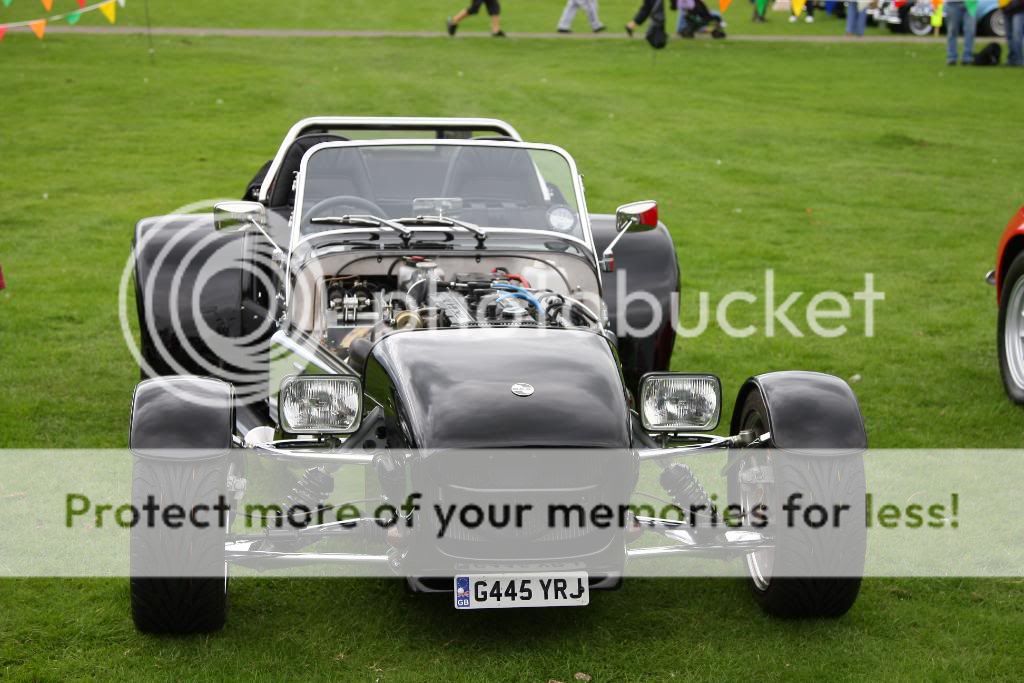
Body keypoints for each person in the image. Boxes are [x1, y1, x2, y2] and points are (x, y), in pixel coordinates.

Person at [944, 0, 976, 65]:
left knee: (970, 30)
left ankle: (967, 57)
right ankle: (951, 57)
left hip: (970, 3)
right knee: (952, 31)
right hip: (952, 3)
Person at [1005, 0, 1024, 67]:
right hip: (1005, 8)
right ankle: (1012, 59)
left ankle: (1019, 59)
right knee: (1009, 36)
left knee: (1017, 34)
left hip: (1019, 8)